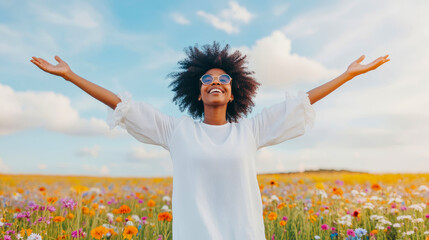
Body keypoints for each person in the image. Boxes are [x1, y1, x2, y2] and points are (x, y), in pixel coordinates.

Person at [31, 42, 389, 240]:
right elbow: (121, 105)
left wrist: (346, 75)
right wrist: (71, 76)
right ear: (197, 91)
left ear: (234, 93)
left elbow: (301, 103)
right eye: (207, 78)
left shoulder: (250, 131)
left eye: (224, 79)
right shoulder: (176, 131)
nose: (215, 81)